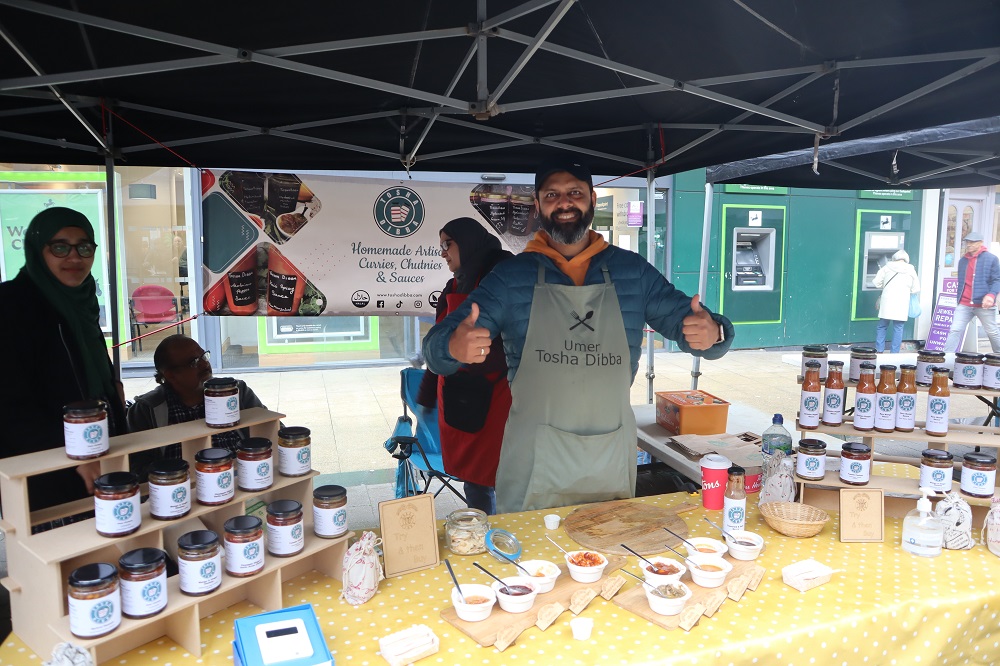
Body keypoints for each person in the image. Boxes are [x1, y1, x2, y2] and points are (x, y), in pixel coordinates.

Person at [423, 160, 735, 514]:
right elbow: (435, 349)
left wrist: (714, 333)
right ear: (538, 205)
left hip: (608, 459)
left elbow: (696, 326)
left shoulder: (633, 272)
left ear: (592, 199)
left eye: (575, 192)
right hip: (533, 463)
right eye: (552, 195)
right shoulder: (510, 277)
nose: (564, 202)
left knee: (610, 545)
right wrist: (451, 346)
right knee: (532, 550)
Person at [0, 207, 127, 521]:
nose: (74, 257)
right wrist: (70, 452)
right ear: (37, 249)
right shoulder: (12, 305)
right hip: (44, 462)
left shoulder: (82, 300)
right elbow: (9, 404)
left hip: (98, 444)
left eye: (84, 247)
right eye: (60, 247)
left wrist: (113, 396)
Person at [416, 217, 513, 515]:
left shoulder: (505, 276)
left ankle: (511, 530)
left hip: (499, 398)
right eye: (440, 246)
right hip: (457, 399)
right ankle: (479, 529)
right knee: (474, 481)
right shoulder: (452, 286)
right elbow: (439, 341)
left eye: (448, 243)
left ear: (468, 241)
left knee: (506, 475)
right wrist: (427, 393)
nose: (443, 252)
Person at [127, 334, 266, 464]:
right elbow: (138, 466)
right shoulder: (146, 410)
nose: (205, 364)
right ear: (171, 375)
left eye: (203, 357)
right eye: (194, 362)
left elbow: (268, 432)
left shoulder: (236, 392)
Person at [944, 231, 1000, 353]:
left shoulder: (991, 259)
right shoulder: (963, 261)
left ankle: (998, 356)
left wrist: (991, 295)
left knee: (992, 332)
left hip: (984, 304)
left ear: (981, 243)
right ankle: (947, 358)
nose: (969, 245)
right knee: (955, 330)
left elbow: (997, 280)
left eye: (972, 242)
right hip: (964, 303)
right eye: (967, 242)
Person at [872, 249, 919, 353]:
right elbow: (916, 288)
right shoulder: (911, 270)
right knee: (898, 328)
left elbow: (876, 282)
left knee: (882, 326)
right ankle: (894, 353)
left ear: (894, 258)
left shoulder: (886, 267)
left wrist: (885, 286)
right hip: (902, 302)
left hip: (887, 301)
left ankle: (879, 350)